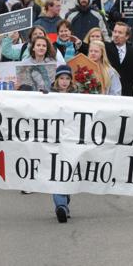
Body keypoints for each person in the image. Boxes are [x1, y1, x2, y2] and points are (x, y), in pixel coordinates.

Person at [51, 64, 77, 223]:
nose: (64, 82)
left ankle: (64, 202)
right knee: (56, 171)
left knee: (68, 171)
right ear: (56, 80)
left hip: (72, 138)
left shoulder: (77, 95)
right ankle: (61, 205)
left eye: (67, 79)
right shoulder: (48, 95)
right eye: (62, 78)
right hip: (54, 139)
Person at [105, 22, 133, 96]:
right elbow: (90, 48)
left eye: (120, 33)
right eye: (115, 31)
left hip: (127, 96)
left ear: (127, 36)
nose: (116, 35)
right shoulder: (105, 48)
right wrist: (80, 44)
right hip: (108, 95)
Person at [1, 25, 65, 65]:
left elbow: (61, 63)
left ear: (45, 36)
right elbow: (6, 52)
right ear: (31, 36)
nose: (38, 35)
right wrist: (9, 37)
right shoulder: (24, 47)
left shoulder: (53, 48)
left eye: (40, 33)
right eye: (35, 34)